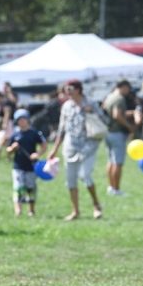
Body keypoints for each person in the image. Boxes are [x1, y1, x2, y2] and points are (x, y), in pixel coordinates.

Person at [48, 79, 103, 221]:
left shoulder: (91, 103)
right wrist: (54, 149)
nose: (67, 91)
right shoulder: (66, 106)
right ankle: (75, 211)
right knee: (70, 180)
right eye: (66, 89)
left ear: (78, 89)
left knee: (85, 175)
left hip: (89, 145)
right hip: (70, 146)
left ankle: (96, 206)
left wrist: (92, 113)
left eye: (70, 88)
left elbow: (105, 120)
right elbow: (61, 129)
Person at [6, 109, 47, 216]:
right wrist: (12, 149)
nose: (22, 121)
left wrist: (37, 154)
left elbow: (43, 145)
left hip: (31, 166)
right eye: (19, 120)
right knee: (18, 187)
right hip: (18, 166)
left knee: (30, 188)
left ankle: (31, 210)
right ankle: (18, 210)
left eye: (24, 119)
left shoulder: (34, 133)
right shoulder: (15, 134)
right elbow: (8, 150)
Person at [103, 80, 135, 196]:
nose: (128, 91)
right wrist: (129, 126)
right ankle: (116, 189)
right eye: (128, 88)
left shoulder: (109, 97)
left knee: (110, 161)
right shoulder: (119, 98)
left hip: (108, 132)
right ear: (123, 87)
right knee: (118, 162)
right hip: (117, 133)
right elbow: (117, 115)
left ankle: (111, 187)